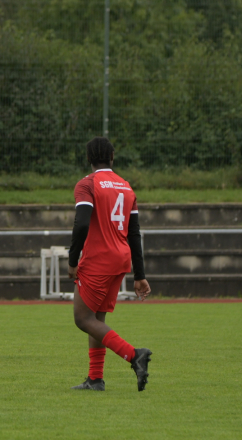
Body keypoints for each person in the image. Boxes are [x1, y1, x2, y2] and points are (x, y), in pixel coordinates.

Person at [68, 136, 152, 392]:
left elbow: (82, 223)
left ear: (88, 159)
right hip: (121, 259)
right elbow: (134, 232)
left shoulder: (87, 184)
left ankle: (133, 354)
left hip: (98, 260)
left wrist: (73, 260)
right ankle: (95, 379)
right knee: (97, 318)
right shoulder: (126, 187)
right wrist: (140, 274)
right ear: (112, 157)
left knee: (82, 318)